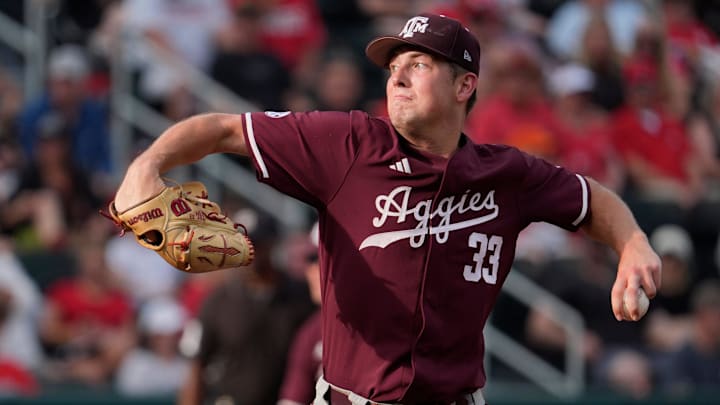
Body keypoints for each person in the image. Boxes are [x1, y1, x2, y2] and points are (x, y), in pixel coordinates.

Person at [114, 13, 662, 404]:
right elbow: (222, 128)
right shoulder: (347, 144)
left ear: (464, 85)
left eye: (419, 64)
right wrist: (146, 167)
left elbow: (594, 200)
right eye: (393, 64)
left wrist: (631, 241)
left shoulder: (509, 174)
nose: (396, 75)